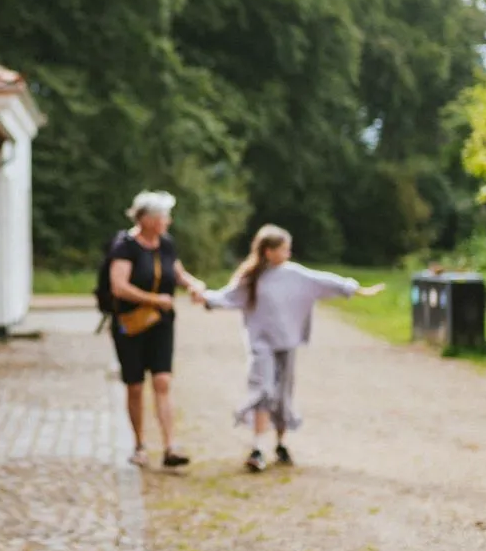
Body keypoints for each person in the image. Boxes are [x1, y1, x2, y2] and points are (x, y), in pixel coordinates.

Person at [201, 225, 384, 472]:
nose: (288, 253)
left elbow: (324, 281)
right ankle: (257, 448)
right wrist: (205, 297)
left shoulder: (295, 275)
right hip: (261, 345)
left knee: (283, 394)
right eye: (284, 248)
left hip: (286, 344)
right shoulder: (252, 278)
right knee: (263, 390)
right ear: (268, 251)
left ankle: (280, 443)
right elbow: (228, 296)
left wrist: (355, 289)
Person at [109, 190, 206, 468]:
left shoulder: (166, 245)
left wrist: (194, 285)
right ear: (148, 219)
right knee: (136, 385)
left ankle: (170, 445)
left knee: (162, 381)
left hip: (161, 324)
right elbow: (119, 286)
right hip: (131, 325)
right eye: (164, 216)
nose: (168, 221)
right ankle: (139, 445)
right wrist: (154, 299)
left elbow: (177, 273)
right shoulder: (124, 247)